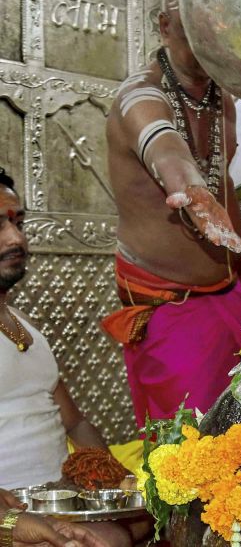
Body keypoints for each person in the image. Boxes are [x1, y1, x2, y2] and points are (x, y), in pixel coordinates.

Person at [103, 0, 241, 428]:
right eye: (196, 28)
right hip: (171, 309)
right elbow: (161, 143)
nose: (211, 42)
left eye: (219, 28)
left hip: (231, 295)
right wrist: (188, 187)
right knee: (192, 460)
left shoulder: (224, 98)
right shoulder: (139, 95)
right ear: (165, 26)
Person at [0, 169, 142, 547]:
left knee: (166, 511)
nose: (16, 239)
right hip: (12, 512)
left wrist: (116, 480)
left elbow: (75, 422)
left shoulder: (25, 327)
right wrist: (9, 523)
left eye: (18, 223)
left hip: (61, 500)